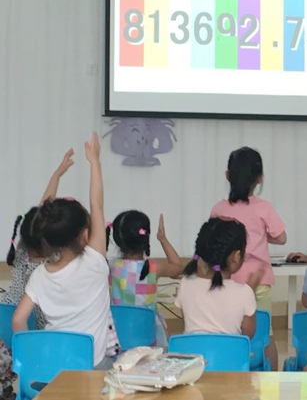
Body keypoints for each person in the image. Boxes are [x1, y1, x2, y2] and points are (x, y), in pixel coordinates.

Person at [12, 133, 118, 370]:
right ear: (85, 235)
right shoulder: (95, 261)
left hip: (53, 369)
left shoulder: (39, 275)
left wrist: (30, 359)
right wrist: (95, 162)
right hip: (92, 369)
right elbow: (97, 205)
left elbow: (18, 319)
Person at [210, 147, 286, 370]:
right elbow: (281, 238)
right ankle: (271, 380)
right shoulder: (263, 208)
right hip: (258, 279)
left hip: (226, 280)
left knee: (227, 330)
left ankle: (229, 372)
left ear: (227, 175)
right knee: (265, 334)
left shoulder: (218, 209)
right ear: (260, 177)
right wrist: (260, 234)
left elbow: (212, 240)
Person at [4, 148, 75, 329]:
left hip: (6, 319)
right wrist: (57, 175)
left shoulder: (21, 250)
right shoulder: (51, 266)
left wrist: (57, 175)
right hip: (36, 330)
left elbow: (40, 218)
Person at [107, 212, 183, 347]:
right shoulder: (154, 267)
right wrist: (163, 239)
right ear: (145, 237)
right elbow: (178, 268)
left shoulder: (110, 266)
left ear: (117, 238)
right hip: (150, 339)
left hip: (119, 337)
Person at [175, 218, 257, 338]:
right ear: (236, 256)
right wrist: (251, 290)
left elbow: (189, 326)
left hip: (193, 351)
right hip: (230, 351)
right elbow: (247, 336)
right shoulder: (245, 292)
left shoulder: (185, 284)